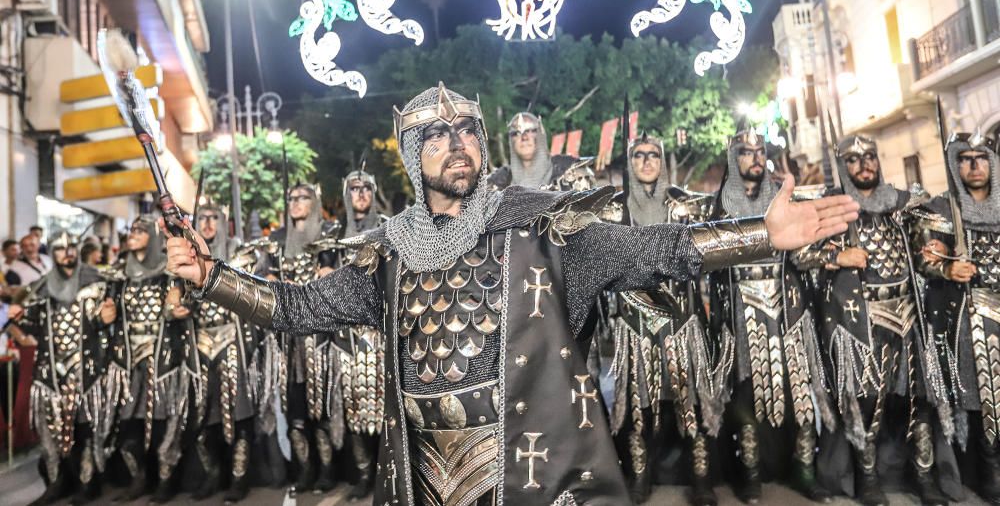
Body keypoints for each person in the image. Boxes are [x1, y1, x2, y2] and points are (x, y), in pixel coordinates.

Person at [165, 83, 858, 505]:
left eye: (466, 129)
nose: (456, 143)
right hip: (421, 472)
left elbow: (661, 250)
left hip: (530, 468)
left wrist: (761, 235)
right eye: (434, 135)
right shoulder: (389, 250)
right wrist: (209, 277)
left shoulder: (546, 226)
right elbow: (296, 309)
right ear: (410, 158)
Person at [799, 136, 952, 506]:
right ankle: (867, 478)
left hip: (907, 313)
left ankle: (924, 475)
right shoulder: (830, 207)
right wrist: (837, 256)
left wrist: (937, 249)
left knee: (920, 401)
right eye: (853, 160)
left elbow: (934, 232)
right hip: (860, 320)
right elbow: (801, 254)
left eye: (869, 157)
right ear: (843, 167)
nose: (864, 165)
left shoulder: (900, 203)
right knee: (867, 401)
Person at [709, 131, 833, 503]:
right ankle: (750, 476)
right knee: (744, 399)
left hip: (787, 308)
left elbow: (803, 256)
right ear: (734, 159)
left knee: (801, 396)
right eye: (745, 152)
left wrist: (830, 255)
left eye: (760, 151)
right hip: (741, 308)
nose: (755, 158)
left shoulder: (785, 200)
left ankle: (804, 471)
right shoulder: (718, 206)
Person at [611, 132, 725, 505]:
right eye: (639, 156)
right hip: (634, 320)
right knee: (638, 405)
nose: (646, 162)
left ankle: (702, 478)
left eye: (653, 155)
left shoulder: (685, 206)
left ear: (662, 161)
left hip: (680, 316)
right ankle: (640, 478)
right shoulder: (615, 211)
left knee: (689, 401)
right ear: (631, 162)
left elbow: (718, 233)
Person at [914, 128, 1000, 504]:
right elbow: (926, 256)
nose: (975, 165)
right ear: (955, 164)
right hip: (971, 316)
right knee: (983, 397)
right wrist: (947, 270)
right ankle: (990, 474)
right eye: (965, 159)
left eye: (981, 157)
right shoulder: (942, 209)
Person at [8, 232, 115, 505]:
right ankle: (56, 484)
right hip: (51, 372)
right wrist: (18, 316)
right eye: (59, 248)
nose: (67, 252)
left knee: (85, 431)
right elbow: (32, 325)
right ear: (52, 254)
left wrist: (106, 318)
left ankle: (87, 484)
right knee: (50, 434)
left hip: (86, 370)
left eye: (71, 247)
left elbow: (105, 321)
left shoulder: (94, 282)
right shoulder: (43, 289)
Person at [259, 183, 341, 493]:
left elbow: (332, 275)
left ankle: (328, 472)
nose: (294, 202)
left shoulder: (327, 236)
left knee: (320, 409)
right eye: (291, 198)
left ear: (315, 201)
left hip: (320, 337)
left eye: (302, 197)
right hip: (288, 341)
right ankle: (305, 470)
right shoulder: (276, 240)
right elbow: (265, 277)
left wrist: (315, 282)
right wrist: (276, 282)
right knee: (295, 412)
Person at [107, 216, 196, 502]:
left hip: (161, 359)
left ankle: (165, 482)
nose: (132, 234)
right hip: (128, 360)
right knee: (128, 423)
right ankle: (138, 478)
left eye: (139, 230)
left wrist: (176, 308)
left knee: (162, 422)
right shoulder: (119, 275)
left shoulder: (166, 271)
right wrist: (102, 314)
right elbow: (106, 310)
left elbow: (176, 304)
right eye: (130, 230)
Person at [189, 203, 263, 503]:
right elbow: (174, 299)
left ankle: (239, 478)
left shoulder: (240, 255)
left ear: (223, 222)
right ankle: (213, 475)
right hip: (201, 344)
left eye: (213, 218)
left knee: (239, 415)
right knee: (206, 416)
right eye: (202, 219)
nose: (207, 224)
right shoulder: (190, 260)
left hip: (234, 343)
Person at [330, 168, 387, 499]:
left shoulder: (392, 229)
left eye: (367, 187)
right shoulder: (332, 236)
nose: (361, 193)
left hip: (381, 331)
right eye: (354, 188)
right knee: (354, 407)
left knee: (384, 408)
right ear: (347, 194)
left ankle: (384, 472)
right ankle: (363, 474)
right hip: (347, 336)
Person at [487, 112, 595, 191]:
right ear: (511, 140)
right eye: (516, 133)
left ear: (540, 136)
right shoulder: (500, 179)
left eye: (530, 131)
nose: (524, 137)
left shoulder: (570, 168)